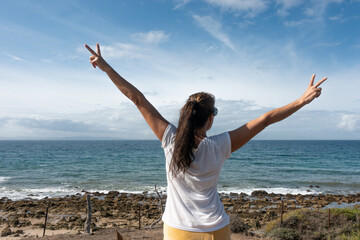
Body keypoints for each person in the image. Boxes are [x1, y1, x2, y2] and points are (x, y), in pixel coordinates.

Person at [85, 43, 327, 240]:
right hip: (217, 231)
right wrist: (301, 101)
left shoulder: (170, 139)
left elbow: (137, 99)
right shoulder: (220, 145)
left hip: (178, 231)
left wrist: (107, 68)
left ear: (186, 115)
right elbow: (264, 120)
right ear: (210, 119)